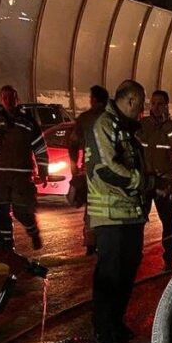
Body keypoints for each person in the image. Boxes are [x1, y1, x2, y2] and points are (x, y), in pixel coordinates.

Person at [85, 80, 169, 343]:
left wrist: (151, 181)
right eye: (141, 104)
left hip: (131, 214)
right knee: (110, 273)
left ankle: (116, 323)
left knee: (127, 271)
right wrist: (147, 183)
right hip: (111, 216)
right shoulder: (104, 125)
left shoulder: (126, 128)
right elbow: (106, 168)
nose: (142, 110)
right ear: (131, 100)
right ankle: (103, 329)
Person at [0, 85, 49, 250]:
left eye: (12, 97)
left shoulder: (28, 121)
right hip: (0, 176)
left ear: (17, 99)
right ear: (1, 100)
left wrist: (43, 170)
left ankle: (33, 231)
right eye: (5, 97)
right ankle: (7, 245)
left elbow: (40, 147)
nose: (9, 101)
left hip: (22, 176)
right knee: (0, 212)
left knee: (22, 211)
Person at [137, 89, 172, 271]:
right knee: (138, 220)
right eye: (153, 103)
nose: (156, 107)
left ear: (166, 106)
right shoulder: (143, 124)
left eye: (160, 104)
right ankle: (136, 254)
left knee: (167, 220)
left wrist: (167, 126)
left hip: (163, 182)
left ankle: (169, 256)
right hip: (144, 181)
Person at [69, 85, 110, 255]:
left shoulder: (85, 119)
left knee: (92, 209)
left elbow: (73, 143)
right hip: (109, 173)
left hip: (91, 172)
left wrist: (74, 165)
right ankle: (104, 242)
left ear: (94, 99)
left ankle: (91, 244)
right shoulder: (113, 119)